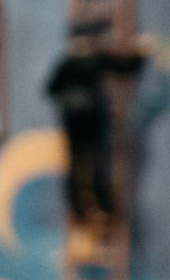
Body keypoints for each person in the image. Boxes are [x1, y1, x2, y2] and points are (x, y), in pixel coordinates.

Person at [45, 37, 147, 224]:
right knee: (78, 167)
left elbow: (123, 67)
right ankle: (80, 210)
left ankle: (102, 205)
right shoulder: (68, 65)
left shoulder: (95, 60)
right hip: (77, 126)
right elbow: (51, 90)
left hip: (93, 124)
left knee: (98, 165)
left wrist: (141, 57)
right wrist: (74, 100)